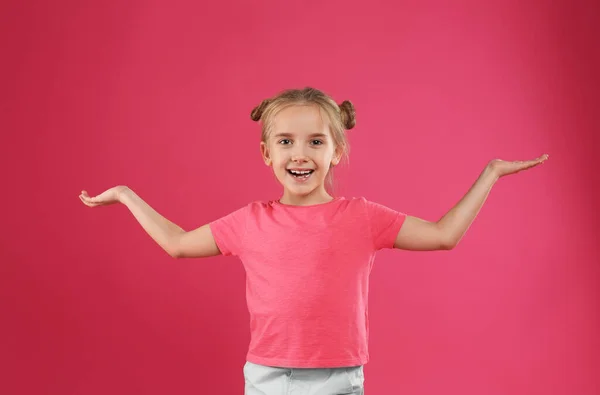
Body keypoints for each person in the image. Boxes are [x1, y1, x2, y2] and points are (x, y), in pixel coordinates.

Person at [79, 87, 549, 395]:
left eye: (315, 142)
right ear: (266, 153)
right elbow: (179, 243)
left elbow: (444, 235)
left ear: (337, 150)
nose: (300, 154)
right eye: (284, 142)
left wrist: (489, 175)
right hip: (267, 377)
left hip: (340, 378)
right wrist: (125, 196)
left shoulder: (362, 217)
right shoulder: (250, 221)